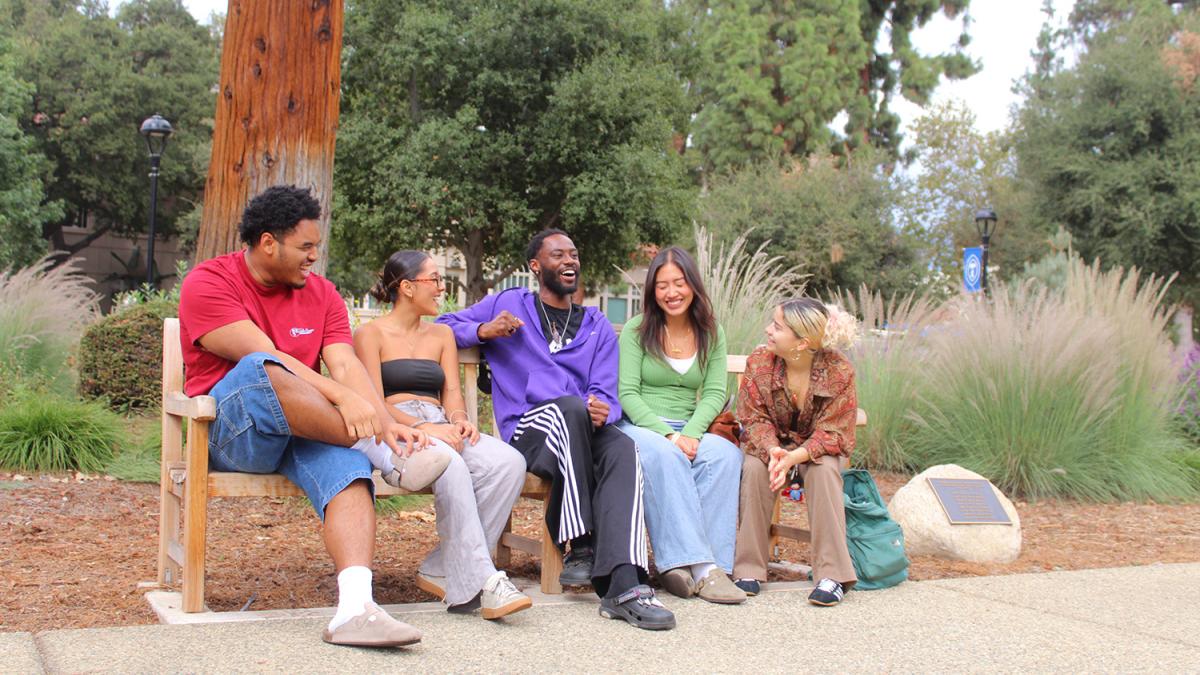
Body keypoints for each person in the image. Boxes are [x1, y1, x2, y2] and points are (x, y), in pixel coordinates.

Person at [178, 185, 446, 647]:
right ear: (268, 243)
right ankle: (379, 449)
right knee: (261, 366)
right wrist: (358, 413)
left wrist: (380, 414)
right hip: (232, 434)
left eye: (316, 248)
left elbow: (344, 363)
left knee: (348, 473)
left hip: (307, 429)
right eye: (305, 247)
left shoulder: (321, 294)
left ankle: (355, 609)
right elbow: (267, 358)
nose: (313, 258)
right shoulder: (209, 282)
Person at [437, 229, 676, 631]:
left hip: (579, 429)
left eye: (574, 255)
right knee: (569, 408)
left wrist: (605, 409)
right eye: (558, 255)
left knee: (621, 448)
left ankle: (625, 586)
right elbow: (443, 326)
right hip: (530, 432)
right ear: (536, 266)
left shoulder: (597, 324)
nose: (569, 261)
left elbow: (606, 391)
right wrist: (484, 331)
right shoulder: (509, 304)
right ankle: (578, 543)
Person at [354, 249, 531, 620]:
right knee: (449, 462)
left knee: (509, 463)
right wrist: (422, 427)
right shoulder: (370, 334)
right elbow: (370, 398)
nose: (441, 287)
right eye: (434, 279)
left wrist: (459, 418)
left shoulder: (442, 334)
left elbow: (451, 390)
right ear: (406, 287)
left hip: (441, 423)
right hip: (397, 429)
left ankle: (439, 566)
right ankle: (483, 580)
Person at [615, 247, 745, 604]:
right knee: (666, 454)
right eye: (661, 286)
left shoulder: (710, 331)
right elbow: (627, 393)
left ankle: (697, 567)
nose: (671, 293)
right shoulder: (636, 330)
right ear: (652, 292)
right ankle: (701, 568)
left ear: (693, 285)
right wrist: (670, 434)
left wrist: (691, 433)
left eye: (679, 283)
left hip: (691, 425)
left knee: (724, 456)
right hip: (642, 427)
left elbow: (715, 392)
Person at [733, 298, 859, 606]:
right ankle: (748, 567)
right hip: (771, 445)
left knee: (826, 471)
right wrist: (775, 450)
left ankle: (833, 575)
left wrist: (796, 456)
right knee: (753, 467)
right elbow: (753, 417)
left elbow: (835, 432)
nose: (768, 330)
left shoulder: (839, 370)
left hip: (816, 450)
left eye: (777, 326)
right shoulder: (760, 362)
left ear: (802, 342)